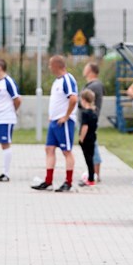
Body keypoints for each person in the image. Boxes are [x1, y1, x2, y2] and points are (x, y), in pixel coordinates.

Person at [32, 56, 77, 193]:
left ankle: (68, 182)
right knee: (49, 149)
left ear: (57, 65)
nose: (49, 68)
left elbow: (73, 98)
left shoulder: (67, 79)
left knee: (66, 151)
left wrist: (66, 116)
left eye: (50, 65)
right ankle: (48, 180)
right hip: (54, 122)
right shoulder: (56, 81)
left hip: (63, 122)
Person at [79, 62, 104, 183]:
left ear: (91, 70)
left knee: (93, 150)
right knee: (92, 149)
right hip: (88, 122)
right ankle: (92, 174)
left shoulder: (95, 85)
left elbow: (81, 100)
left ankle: (95, 175)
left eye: (85, 67)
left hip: (90, 124)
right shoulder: (90, 85)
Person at [77, 89, 99, 187]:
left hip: (86, 139)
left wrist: (81, 138)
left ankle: (90, 179)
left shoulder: (85, 113)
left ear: (84, 100)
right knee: (91, 158)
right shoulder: (94, 112)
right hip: (93, 137)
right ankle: (91, 176)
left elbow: (85, 126)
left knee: (88, 159)